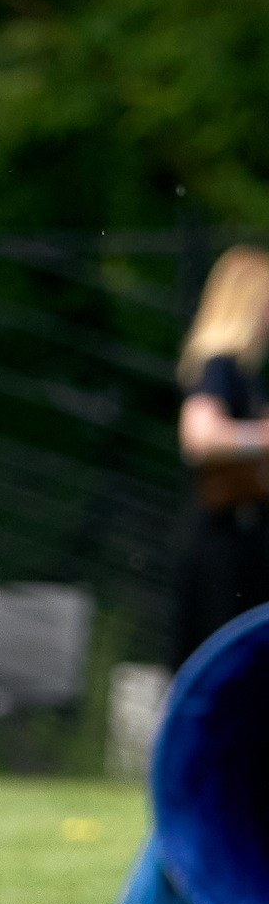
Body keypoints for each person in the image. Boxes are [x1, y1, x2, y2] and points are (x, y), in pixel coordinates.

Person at [172, 246, 269, 667]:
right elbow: (199, 435)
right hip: (222, 545)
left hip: (241, 542)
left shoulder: (247, 374)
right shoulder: (221, 365)